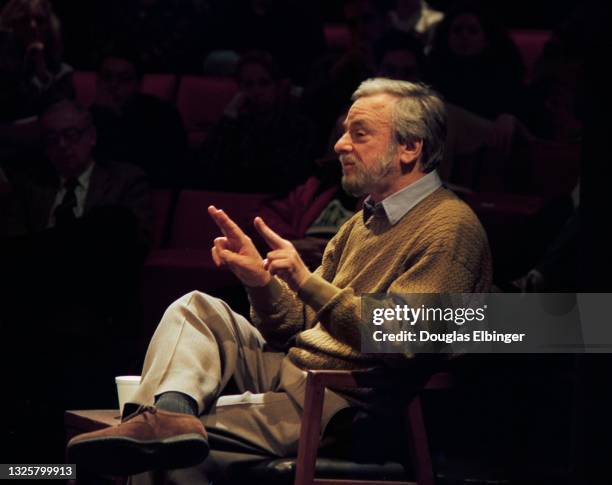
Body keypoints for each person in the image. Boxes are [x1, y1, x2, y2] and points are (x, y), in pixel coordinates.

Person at [66, 79, 492, 483]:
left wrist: (308, 282)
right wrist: (261, 282)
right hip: (296, 375)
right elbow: (298, 325)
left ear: (410, 147)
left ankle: (164, 427)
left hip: (344, 402)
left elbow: (404, 339)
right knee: (196, 306)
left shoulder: (449, 226)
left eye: (359, 134)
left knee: (170, 452)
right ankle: (167, 414)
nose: (340, 145)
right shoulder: (362, 223)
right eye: (344, 132)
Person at [90, 47, 188, 188]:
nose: (113, 85)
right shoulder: (87, 118)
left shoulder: (163, 116)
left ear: (138, 83)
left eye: (124, 79)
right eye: (107, 77)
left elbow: (167, 170)